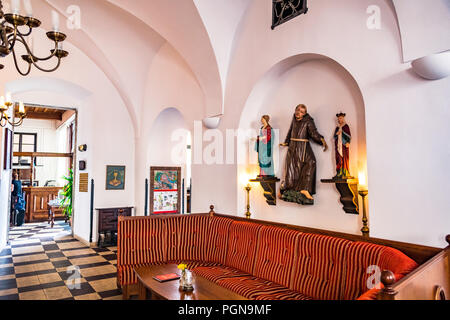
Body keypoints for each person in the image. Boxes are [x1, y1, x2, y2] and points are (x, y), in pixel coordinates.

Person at [280, 104, 328, 205]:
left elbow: (313, 133)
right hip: (293, 146)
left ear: (305, 113)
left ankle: (305, 188)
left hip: (303, 146)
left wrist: (321, 140)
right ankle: (287, 187)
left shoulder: (308, 121)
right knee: (292, 169)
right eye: (297, 110)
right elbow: (290, 130)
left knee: (311, 162)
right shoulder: (294, 119)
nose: (298, 113)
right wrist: (286, 142)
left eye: (301, 111)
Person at [334, 112, 351, 179]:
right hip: (338, 145)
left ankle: (345, 172)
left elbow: (348, 135)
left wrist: (348, 142)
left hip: (343, 145)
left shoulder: (346, 126)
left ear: (343, 119)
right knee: (338, 158)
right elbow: (334, 136)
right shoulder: (337, 127)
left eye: (340, 118)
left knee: (344, 158)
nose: (339, 120)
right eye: (338, 119)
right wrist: (337, 134)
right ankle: (339, 172)